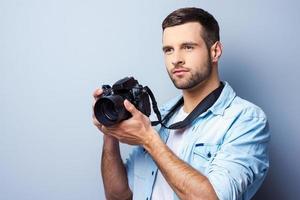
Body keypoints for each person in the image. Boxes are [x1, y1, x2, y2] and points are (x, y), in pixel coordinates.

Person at [92, 7, 270, 200]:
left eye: (188, 47)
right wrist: (109, 131)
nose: (176, 59)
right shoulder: (159, 119)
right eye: (169, 50)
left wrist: (149, 140)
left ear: (215, 51)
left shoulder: (246, 120)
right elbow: (118, 196)